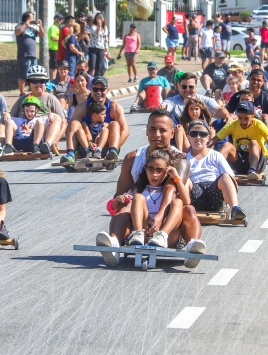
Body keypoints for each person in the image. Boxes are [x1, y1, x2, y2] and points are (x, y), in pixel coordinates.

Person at [96, 110, 205, 267]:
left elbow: (171, 190)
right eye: (153, 129)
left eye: (163, 130)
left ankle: (192, 248)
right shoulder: (132, 158)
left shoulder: (180, 161)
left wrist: (160, 217)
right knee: (125, 206)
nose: (157, 134)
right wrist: (122, 202)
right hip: (139, 223)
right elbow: (120, 193)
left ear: (172, 132)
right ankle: (114, 243)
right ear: (146, 130)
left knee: (188, 209)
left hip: (169, 227)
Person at [124, 148, 190, 248]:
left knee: (178, 202)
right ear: (146, 169)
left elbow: (187, 201)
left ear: (167, 171)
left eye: (159, 170)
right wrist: (122, 198)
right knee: (137, 197)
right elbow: (118, 206)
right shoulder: (139, 188)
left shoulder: (169, 190)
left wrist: (176, 178)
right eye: (151, 169)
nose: (154, 174)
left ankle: (162, 235)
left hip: (165, 233)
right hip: (145, 230)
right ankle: (138, 234)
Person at [184, 119, 240, 222]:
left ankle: (234, 208)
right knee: (184, 181)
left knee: (226, 176)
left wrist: (231, 193)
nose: (198, 137)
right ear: (188, 137)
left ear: (208, 137)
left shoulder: (216, 156)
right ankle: (183, 210)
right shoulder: (184, 159)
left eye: (202, 134)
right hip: (194, 196)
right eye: (193, 134)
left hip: (214, 193)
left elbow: (232, 179)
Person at [63, 76, 129, 163]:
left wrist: (112, 150)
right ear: (91, 89)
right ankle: (71, 154)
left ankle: (113, 152)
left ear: (107, 90)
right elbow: (70, 129)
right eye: (95, 89)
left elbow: (125, 131)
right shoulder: (82, 106)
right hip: (86, 145)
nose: (98, 92)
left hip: (106, 146)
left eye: (102, 89)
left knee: (115, 124)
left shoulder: (115, 107)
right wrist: (76, 151)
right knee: (74, 123)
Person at [215, 101, 268, 183]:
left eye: (246, 118)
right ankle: (214, 169)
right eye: (240, 118)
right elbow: (213, 141)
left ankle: (252, 170)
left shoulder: (259, 125)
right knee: (227, 145)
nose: (243, 121)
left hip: (258, 162)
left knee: (253, 142)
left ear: (252, 116)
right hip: (239, 162)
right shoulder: (233, 124)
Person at [9, 65, 66, 155]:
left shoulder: (51, 98)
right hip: (23, 132)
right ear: (29, 83)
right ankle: (2, 145)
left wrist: (55, 141)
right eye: (34, 81)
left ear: (45, 83)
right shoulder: (22, 99)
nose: (38, 84)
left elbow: (63, 122)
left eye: (41, 81)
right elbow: (11, 117)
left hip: (42, 135)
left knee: (57, 118)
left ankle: (46, 144)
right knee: (5, 119)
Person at [161, 72, 228, 123]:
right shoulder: (172, 101)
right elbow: (166, 105)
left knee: (222, 122)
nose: (187, 89)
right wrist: (163, 109)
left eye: (191, 87)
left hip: (202, 134)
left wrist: (226, 116)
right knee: (170, 118)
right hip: (181, 134)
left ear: (196, 86)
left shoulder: (203, 100)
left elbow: (218, 109)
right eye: (184, 87)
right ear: (178, 86)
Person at [15, 12, 45, 93]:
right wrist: (25, 25)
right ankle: (22, 92)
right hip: (24, 55)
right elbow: (17, 32)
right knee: (23, 75)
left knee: (34, 74)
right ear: (28, 18)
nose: (33, 20)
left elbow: (41, 34)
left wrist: (40, 26)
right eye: (32, 18)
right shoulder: (19, 26)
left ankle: (33, 91)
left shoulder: (32, 29)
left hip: (33, 55)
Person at [88, 12, 109, 76]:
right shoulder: (93, 27)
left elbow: (106, 39)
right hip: (93, 48)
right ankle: (90, 81)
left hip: (101, 48)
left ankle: (97, 81)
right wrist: (99, 25)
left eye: (101, 18)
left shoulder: (105, 28)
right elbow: (96, 33)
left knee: (99, 67)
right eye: (98, 18)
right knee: (92, 66)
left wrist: (106, 49)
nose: (100, 19)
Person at [47, 14, 62, 79]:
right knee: (54, 67)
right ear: (56, 19)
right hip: (54, 49)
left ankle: (54, 80)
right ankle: (52, 81)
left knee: (57, 66)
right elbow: (52, 38)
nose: (61, 21)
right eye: (60, 19)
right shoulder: (53, 27)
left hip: (57, 49)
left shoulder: (57, 28)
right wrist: (61, 39)